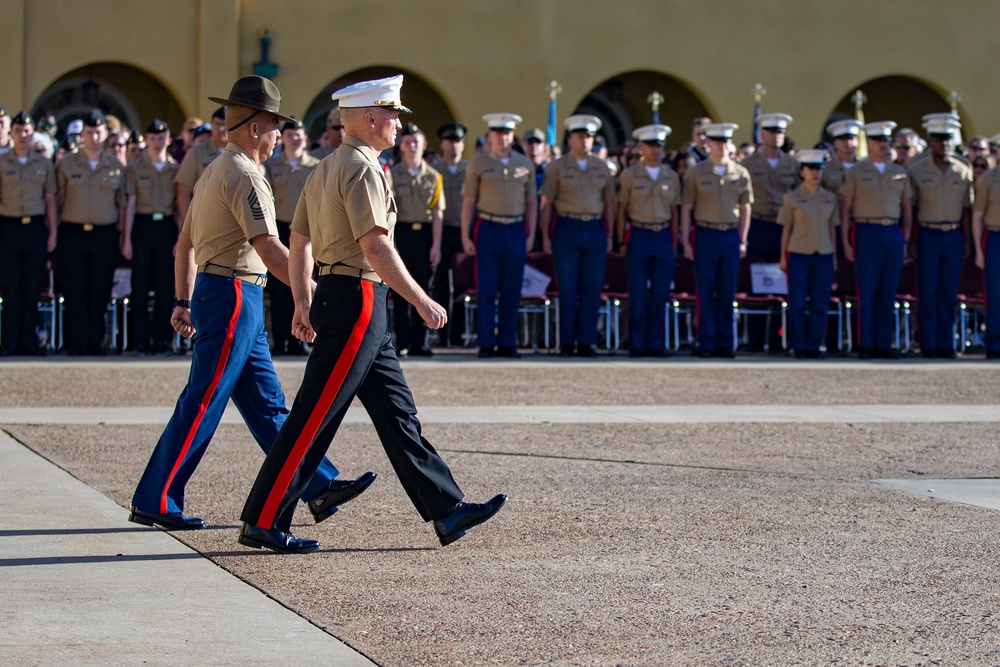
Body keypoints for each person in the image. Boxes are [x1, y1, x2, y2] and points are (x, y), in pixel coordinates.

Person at [239, 75, 506, 553]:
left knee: (397, 413)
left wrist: (302, 300)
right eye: (392, 115)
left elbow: (298, 241)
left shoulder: (324, 168)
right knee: (314, 416)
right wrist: (420, 299)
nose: (399, 125)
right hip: (357, 297)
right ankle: (263, 518)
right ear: (368, 118)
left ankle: (445, 509)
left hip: (353, 299)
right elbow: (376, 246)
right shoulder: (362, 170)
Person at [129, 76, 369, 531]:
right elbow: (270, 248)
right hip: (235, 294)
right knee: (204, 400)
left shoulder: (214, 169)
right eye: (276, 125)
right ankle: (156, 498)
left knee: (267, 404)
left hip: (228, 293)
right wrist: (310, 296)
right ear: (255, 128)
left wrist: (183, 297)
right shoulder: (244, 174)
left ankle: (316, 484)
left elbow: (185, 245)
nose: (280, 134)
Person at [461, 113, 537, 358]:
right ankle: (485, 343)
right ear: (490, 136)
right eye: (498, 133)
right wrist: (465, 235)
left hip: (515, 228)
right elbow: (469, 201)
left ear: (512, 136)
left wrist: (531, 234)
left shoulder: (525, 164)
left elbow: (532, 203)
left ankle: (507, 343)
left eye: (507, 133)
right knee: (486, 288)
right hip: (488, 227)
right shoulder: (479, 164)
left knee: (512, 289)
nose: (503, 138)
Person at [539, 114, 615, 357]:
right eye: (580, 136)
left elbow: (610, 203)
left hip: (594, 228)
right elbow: (546, 203)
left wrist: (610, 234)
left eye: (589, 137)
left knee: (592, 288)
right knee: (568, 288)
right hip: (567, 227)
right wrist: (545, 235)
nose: (585, 141)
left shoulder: (602, 167)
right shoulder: (558, 167)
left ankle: (587, 342)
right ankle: (567, 343)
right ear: (570, 139)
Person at [55, 109, 127, 356]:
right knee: (74, 288)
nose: (94, 137)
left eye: (98, 132)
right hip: (72, 233)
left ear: (105, 134)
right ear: (81, 135)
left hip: (104, 234)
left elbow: (122, 204)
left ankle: (95, 341)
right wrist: (53, 232)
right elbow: (56, 200)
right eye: (89, 132)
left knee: (99, 288)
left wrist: (123, 236)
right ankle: (75, 341)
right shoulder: (66, 164)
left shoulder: (116, 166)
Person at [841, 121, 914, 359]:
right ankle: (866, 344)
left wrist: (905, 239)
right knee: (867, 290)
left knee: (888, 291)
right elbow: (846, 209)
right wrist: (846, 241)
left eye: (886, 141)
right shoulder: (856, 173)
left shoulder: (899, 172)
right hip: (866, 230)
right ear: (869, 143)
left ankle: (884, 343)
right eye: (879, 140)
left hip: (892, 231)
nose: (884, 145)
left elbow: (907, 210)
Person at [680, 122, 753, 357]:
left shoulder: (740, 173)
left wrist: (742, 239)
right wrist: (686, 241)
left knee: (727, 291)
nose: (722, 146)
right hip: (705, 233)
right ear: (708, 143)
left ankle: (725, 342)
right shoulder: (696, 173)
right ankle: (707, 342)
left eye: (725, 141)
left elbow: (745, 209)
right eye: (717, 142)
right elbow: (686, 208)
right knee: (705, 291)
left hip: (730, 234)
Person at [906, 118, 973, 359]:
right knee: (927, 291)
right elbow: (911, 208)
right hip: (928, 233)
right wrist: (911, 239)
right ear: (931, 141)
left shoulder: (963, 170)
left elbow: (966, 209)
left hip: (953, 234)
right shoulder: (916, 169)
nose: (944, 145)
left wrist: (966, 239)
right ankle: (928, 344)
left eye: (948, 140)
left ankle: (945, 343)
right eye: (939, 140)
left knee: (949, 291)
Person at [616, 124, 680, 357]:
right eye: (651, 145)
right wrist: (621, 239)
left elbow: (674, 211)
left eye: (659, 145)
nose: (656, 150)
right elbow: (622, 209)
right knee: (638, 292)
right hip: (639, 233)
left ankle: (655, 341)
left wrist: (674, 239)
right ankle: (637, 342)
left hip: (662, 234)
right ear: (641, 147)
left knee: (661, 292)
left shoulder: (671, 175)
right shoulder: (630, 175)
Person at [0, 111, 57, 356]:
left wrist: (53, 231)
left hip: (35, 228)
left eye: (27, 131)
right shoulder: (2, 163)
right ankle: (11, 340)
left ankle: (30, 340)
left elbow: (51, 200)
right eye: (18, 131)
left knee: (32, 286)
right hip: (8, 226)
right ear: (11, 133)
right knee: (11, 286)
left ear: (33, 134)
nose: (23, 135)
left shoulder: (44, 163)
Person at [122, 119, 179, 355]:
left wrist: (180, 239)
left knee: (166, 286)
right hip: (143, 225)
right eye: (153, 138)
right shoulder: (135, 168)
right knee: (140, 285)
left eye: (161, 138)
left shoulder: (175, 169)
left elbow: (178, 207)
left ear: (168, 140)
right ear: (147, 140)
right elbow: (130, 204)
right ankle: (139, 342)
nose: (157, 143)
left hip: (166, 226)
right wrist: (126, 238)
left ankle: (162, 342)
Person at [264, 117, 319, 356]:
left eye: (298, 134)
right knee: (279, 288)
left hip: (308, 232)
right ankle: (281, 340)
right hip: (280, 228)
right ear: (282, 138)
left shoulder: (316, 166)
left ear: (305, 138)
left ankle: (301, 339)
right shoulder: (272, 166)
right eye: (289, 134)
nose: (294, 138)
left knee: (304, 285)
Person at [777, 149, 839, 358]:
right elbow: (786, 228)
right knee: (797, 302)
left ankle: (814, 344)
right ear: (802, 172)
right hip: (798, 252)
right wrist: (782, 256)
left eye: (819, 169)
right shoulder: (792, 198)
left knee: (820, 303)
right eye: (811, 169)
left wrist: (834, 257)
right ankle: (799, 345)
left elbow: (832, 229)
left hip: (823, 253)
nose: (816, 173)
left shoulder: (830, 198)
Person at [390, 122, 444, 356]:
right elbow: (388, 210)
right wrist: (390, 244)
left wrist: (436, 245)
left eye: (416, 142)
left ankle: (421, 342)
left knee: (423, 288)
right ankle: (402, 341)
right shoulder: (392, 174)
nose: (412, 146)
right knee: (402, 287)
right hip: (400, 233)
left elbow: (438, 213)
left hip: (424, 235)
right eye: (408, 142)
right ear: (401, 146)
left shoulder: (434, 176)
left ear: (424, 145)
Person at [431, 122, 469, 346]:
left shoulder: (470, 170)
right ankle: (442, 333)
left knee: (464, 285)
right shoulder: (436, 171)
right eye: (450, 141)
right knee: (442, 283)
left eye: (458, 141)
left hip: (464, 232)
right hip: (442, 233)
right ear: (443, 144)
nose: (454, 145)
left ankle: (459, 334)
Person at [743, 113, 800, 261]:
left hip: (784, 224)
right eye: (772, 132)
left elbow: (799, 194)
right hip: (758, 224)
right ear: (762, 135)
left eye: (780, 132)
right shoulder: (748, 164)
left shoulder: (793, 164)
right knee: (756, 267)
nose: (776, 136)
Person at [175, 106, 228, 227]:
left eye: (225, 124)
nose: (220, 129)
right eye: (216, 124)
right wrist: (189, 227)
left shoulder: (241, 152)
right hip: (204, 222)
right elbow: (183, 192)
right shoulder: (197, 152)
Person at [973, 150, 1000, 359]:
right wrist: (979, 251)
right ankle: (994, 342)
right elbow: (977, 215)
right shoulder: (987, 179)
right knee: (995, 293)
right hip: (995, 237)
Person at [821, 119, 863, 198]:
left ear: (857, 141)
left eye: (851, 138)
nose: (848, 142)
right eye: (843, 139)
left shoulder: (865, 167)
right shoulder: (826, 168)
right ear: (835, 143)